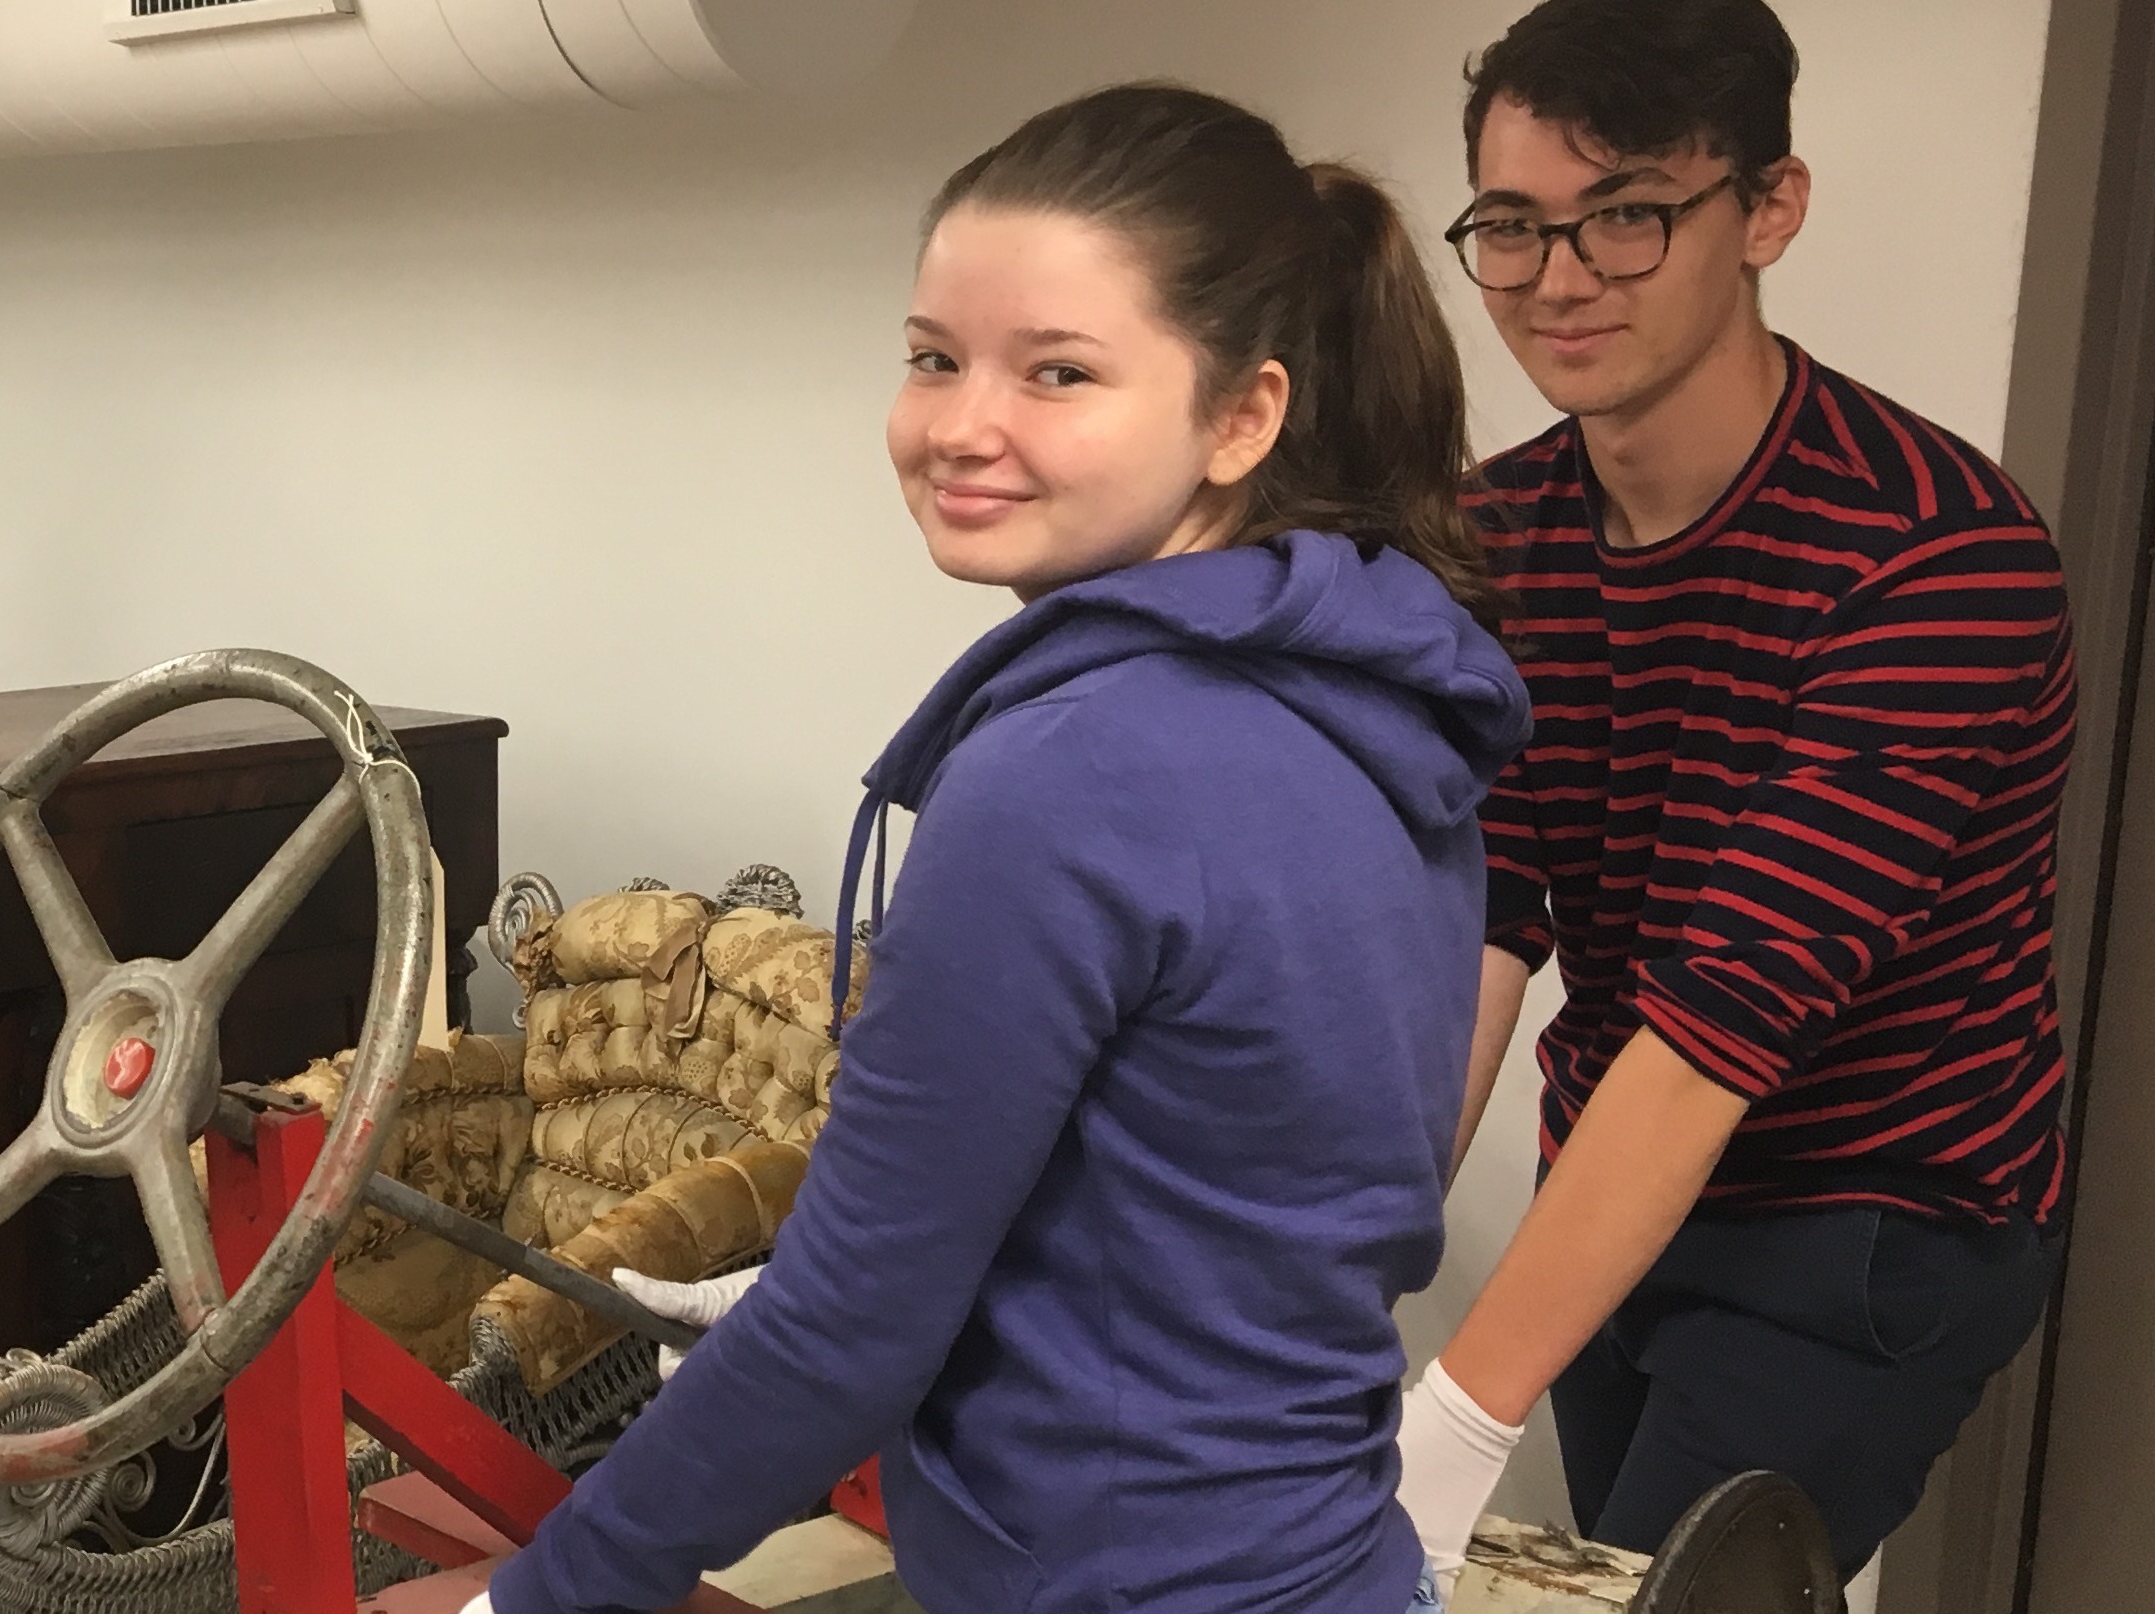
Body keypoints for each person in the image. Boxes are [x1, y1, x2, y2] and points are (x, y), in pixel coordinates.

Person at [473, 84, 1527, 1614]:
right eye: (933, 357)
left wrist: (543, 1593)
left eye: (1059, 371)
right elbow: (1221, 1188)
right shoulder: (1381, 702)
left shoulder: (1075, 767)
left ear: (1244, 414)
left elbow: (851, 1329)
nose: (962, 425)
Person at [1393, 0, 2073, 1581]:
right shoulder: (1496, 537)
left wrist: (1463, 1408)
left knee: (1660, 1589)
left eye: (1627, 214)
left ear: (1769, 207)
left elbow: (1724, 1023)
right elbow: (1482, 917)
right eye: (1513, 226)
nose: (1560, 280)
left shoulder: (1936, 558)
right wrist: (1356, 1250)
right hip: (1622, 1182)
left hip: (1870, 1221)